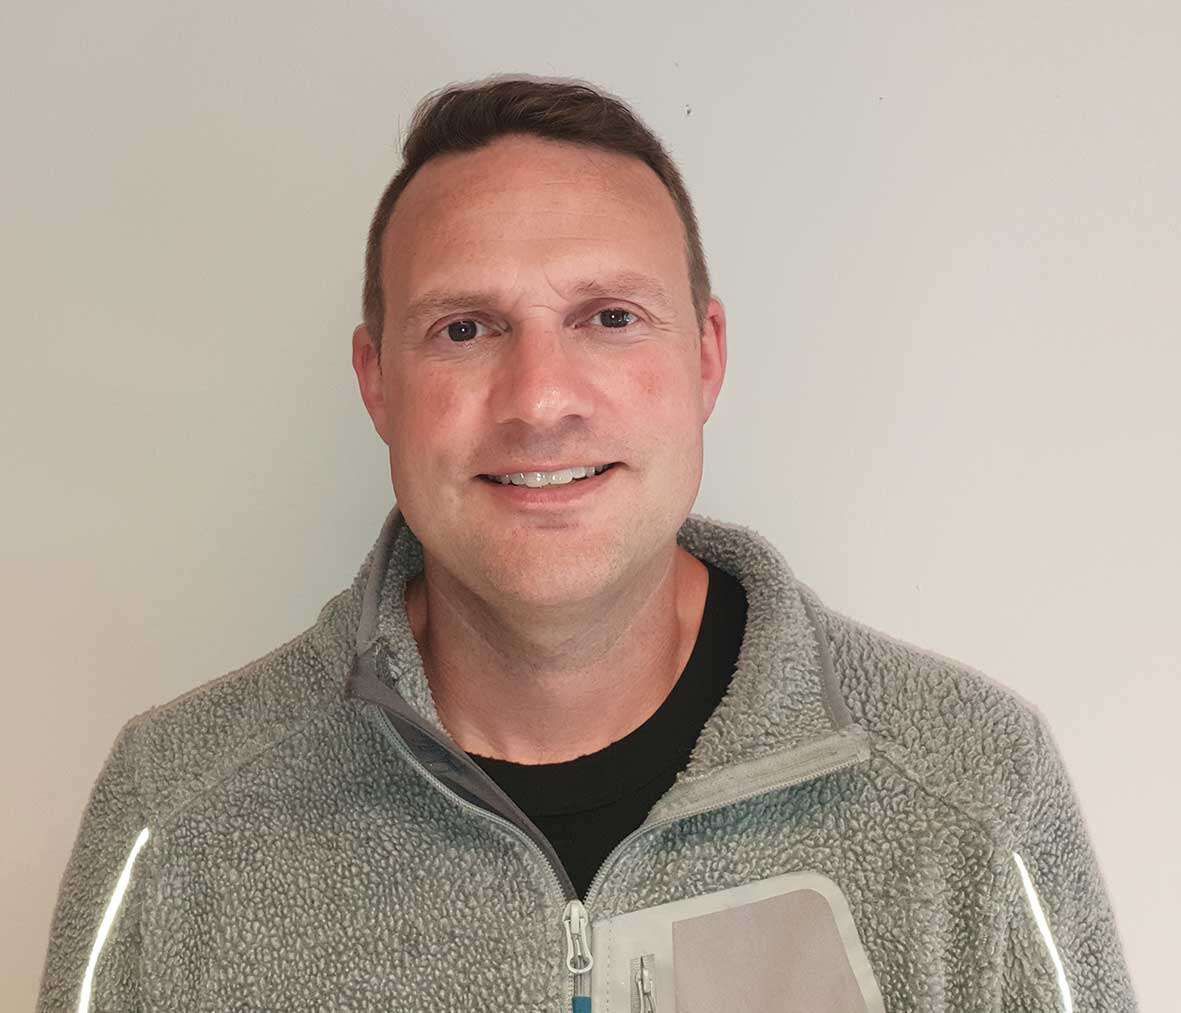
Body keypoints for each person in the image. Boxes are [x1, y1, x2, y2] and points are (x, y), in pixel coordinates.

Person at [40, 75, 1137, 1012]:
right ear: (377, 382)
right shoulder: (177, 813)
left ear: (705, 356)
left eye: (609, 317)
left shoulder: (971, 787)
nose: (539, 399)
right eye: (464, 328)